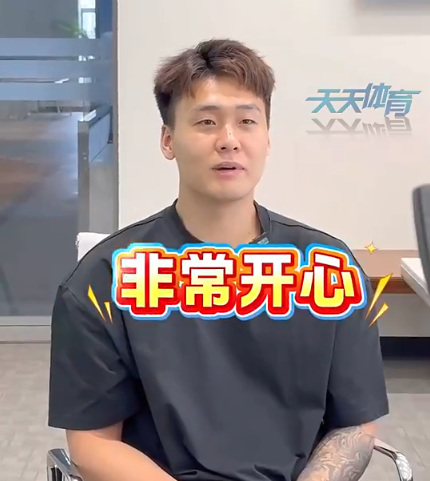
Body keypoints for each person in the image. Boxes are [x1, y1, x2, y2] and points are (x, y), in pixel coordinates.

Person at [48, 38, 389, 481]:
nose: (229, 141)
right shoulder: (104, 280)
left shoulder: (328, 268)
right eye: (206, 122)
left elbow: (356, 425)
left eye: (247, 121)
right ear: (168, 140)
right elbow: (93, 443)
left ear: (267, 138)